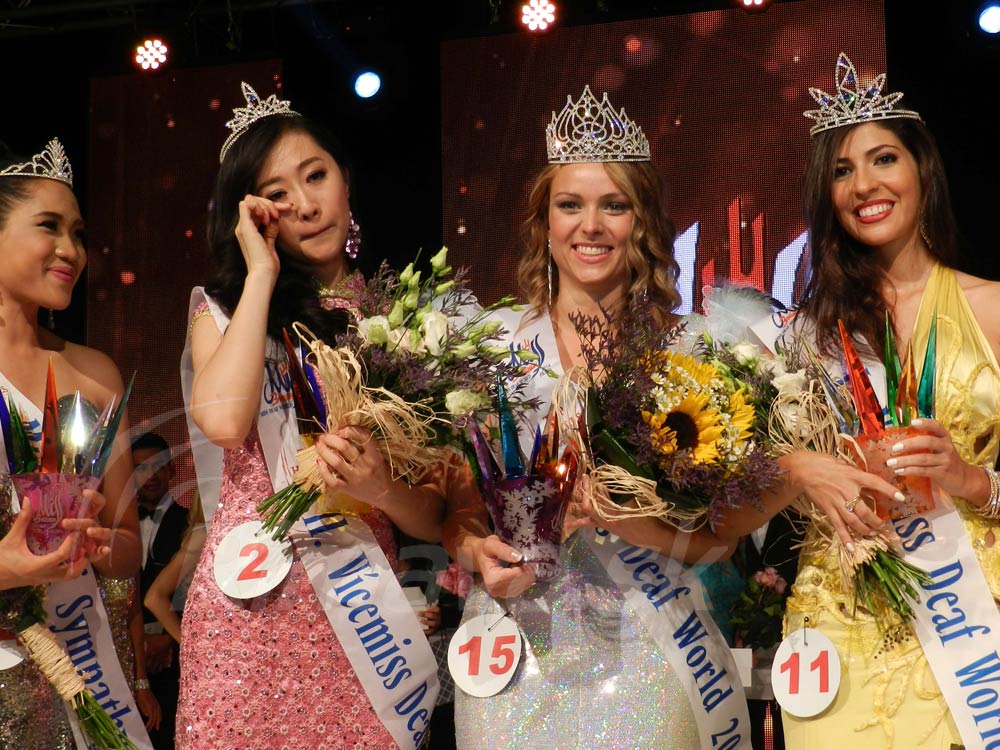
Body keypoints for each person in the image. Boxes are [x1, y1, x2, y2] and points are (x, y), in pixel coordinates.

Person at [443, 87, 744, 750]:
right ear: (543, 223)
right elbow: (458, 509)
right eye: (570, 205)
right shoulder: (492, 344)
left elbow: (720, 536)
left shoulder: (690, 352)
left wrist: (629, 520)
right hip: (516, 643)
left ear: (642, 222)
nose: (592, 226)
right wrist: (475, 552)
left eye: (615, 205)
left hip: (652, 643)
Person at [715, 53, 1000, 749]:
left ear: (922, 170)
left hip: (973, 624)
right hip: (838, 630)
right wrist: (795, 470)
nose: (865, 184)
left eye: (883, 159)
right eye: (842, 170)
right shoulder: (792, 339)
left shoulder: (993, 310)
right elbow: (724, 510)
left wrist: (971, 479)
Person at [177, 83, 445, 750]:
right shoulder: (224, 311)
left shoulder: (400, 325)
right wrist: (259, 274)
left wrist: (380, 487)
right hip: (247, 608)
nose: (305, 203)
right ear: (252, 215)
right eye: (278, 193)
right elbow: (224, 424)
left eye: (316, 175)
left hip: (364, 619)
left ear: (345, 180)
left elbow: (433, 515)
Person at [0, 139, 143, 746]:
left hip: (82, 663)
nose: (72, 250)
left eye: (78, 234)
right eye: (49, 227)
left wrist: (100, 545)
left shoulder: (95, 374)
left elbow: (129, 550)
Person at [132, 431, 187, 749]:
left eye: (157, 466)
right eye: (140, 468)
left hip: (175, 655)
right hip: (127, 655)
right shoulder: (116, 528)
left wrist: (167, 638)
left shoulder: (191, 523)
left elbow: (197, 592)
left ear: (172, 470)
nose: (150, 476)